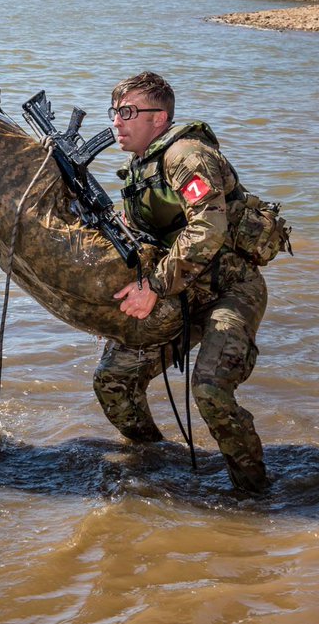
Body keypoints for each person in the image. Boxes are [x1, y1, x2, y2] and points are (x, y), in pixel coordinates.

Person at [95, 71, 271, 493]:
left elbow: (206, 231)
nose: (116, 122)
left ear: (159, 118)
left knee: (210, 389)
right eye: (115, 112)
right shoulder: (139, 168)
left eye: (127, 112)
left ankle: (254, 492)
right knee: (113, 380)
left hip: (231, 289)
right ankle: (156, 460)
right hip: (183, 292)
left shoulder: (188, 155)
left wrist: (153, 288)